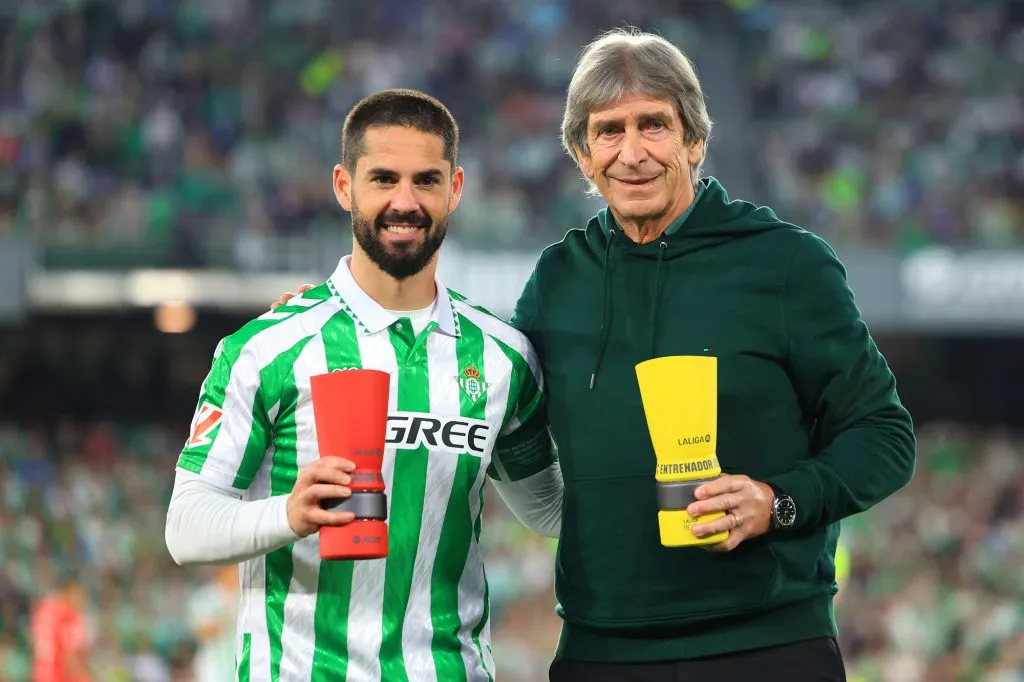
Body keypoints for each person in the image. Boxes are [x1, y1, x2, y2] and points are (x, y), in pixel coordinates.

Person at [274, 29, 917, 682]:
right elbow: (479, 381)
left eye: (654, 126)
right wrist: (345, 305)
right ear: (581, 154)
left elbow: (884, 434)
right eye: (608, 131)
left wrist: (778, 501)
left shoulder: (785, 264)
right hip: (601, 652)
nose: (632, 153)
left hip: (766, 646)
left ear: (694, 140)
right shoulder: (560, 279)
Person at [164, 88, 563, 682]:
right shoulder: (268, 348)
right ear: (344, 186)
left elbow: (550, 511)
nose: (405, 201)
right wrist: (290, 514)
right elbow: (186, 528)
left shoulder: (503, 357)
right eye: (383, 179)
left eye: (426, 180)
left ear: (454, 189)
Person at [30, 575, 90, 682]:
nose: (81, 600)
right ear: (68, 591)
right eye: (79, 595)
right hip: (59, 677)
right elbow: (70, 656)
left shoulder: (43, 609)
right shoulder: (68, 615)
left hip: (40, 676)